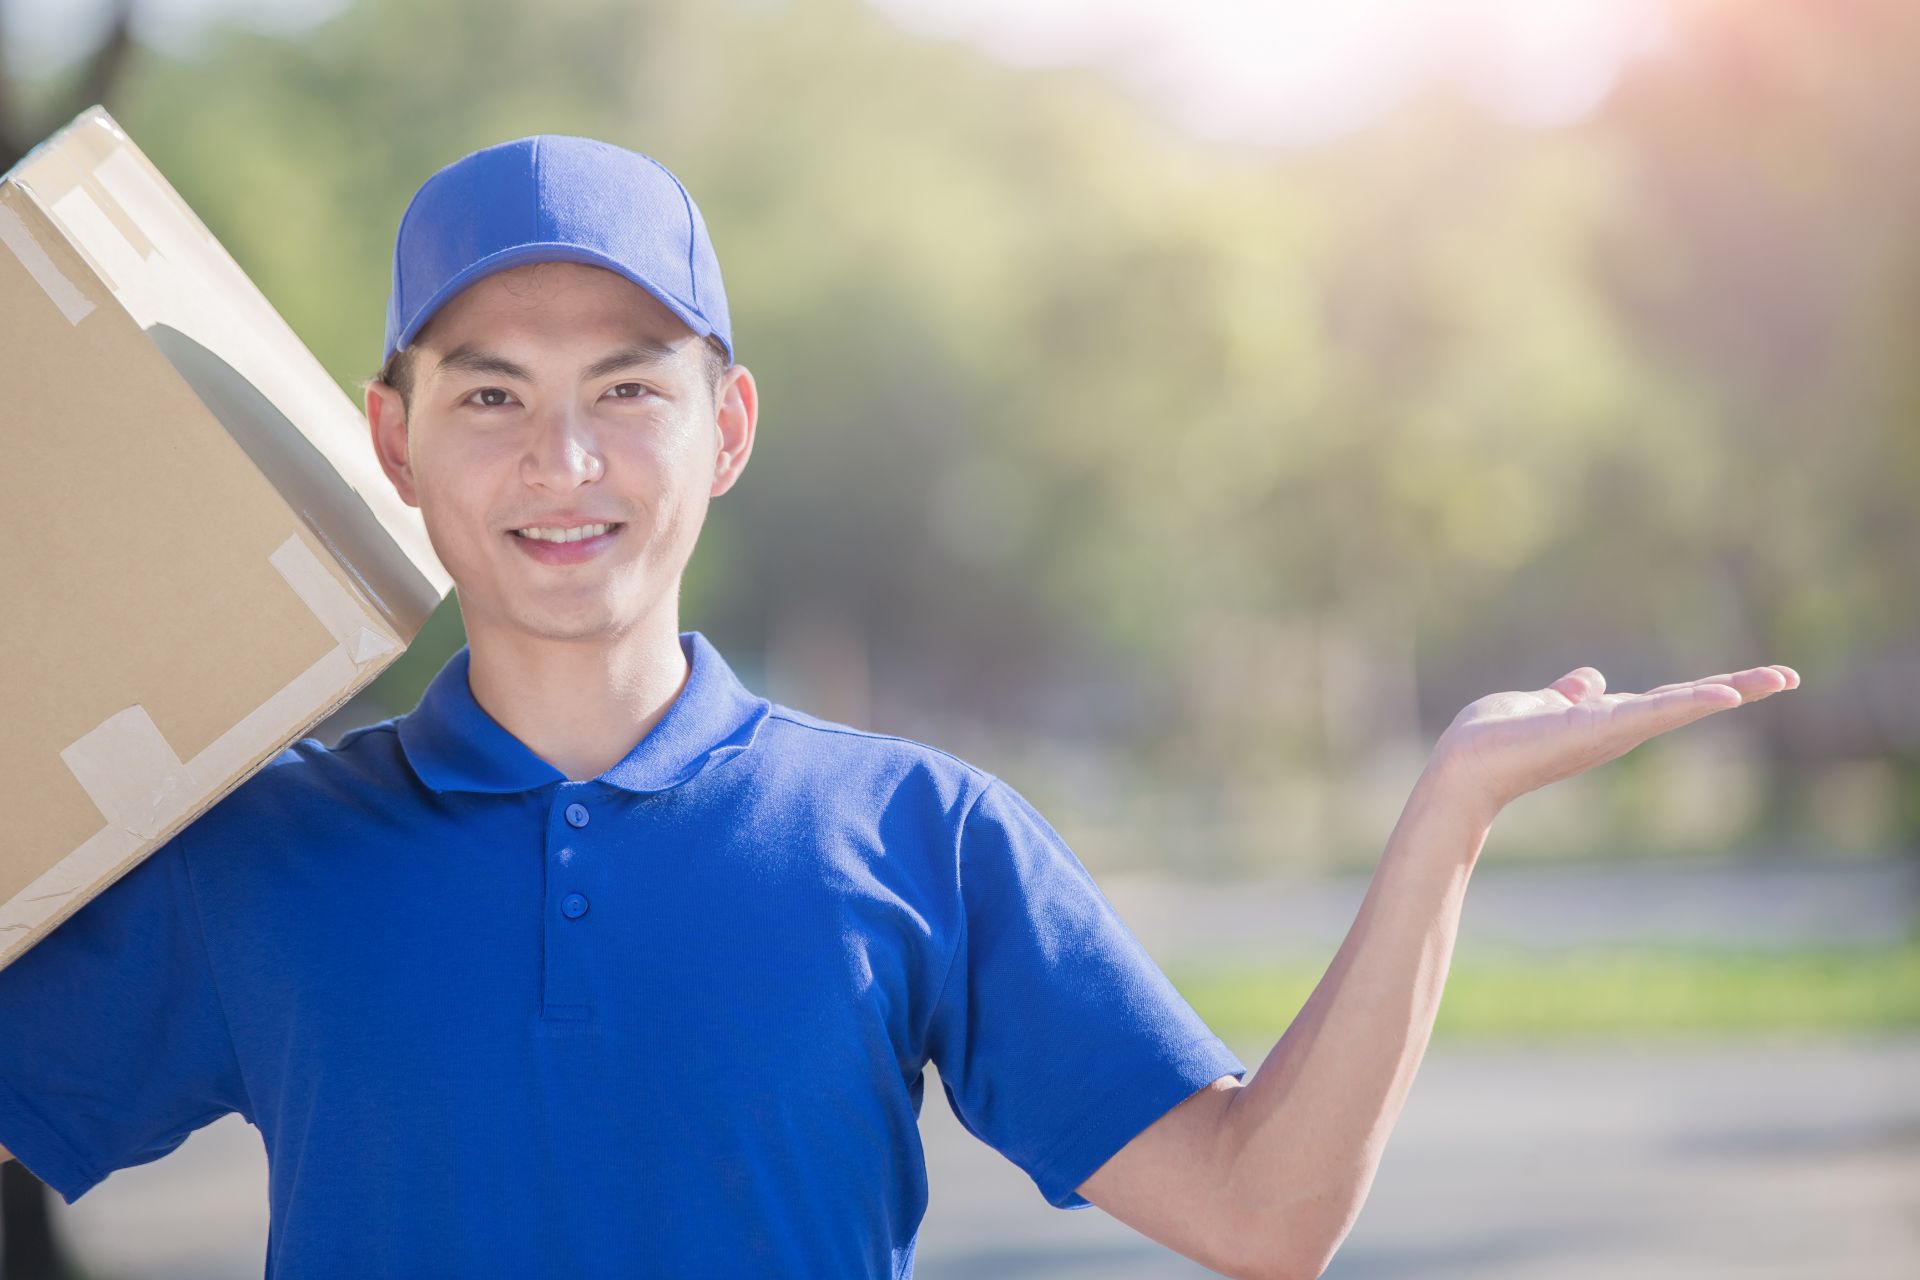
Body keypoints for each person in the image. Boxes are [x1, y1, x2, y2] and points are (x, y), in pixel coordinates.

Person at [0, 132, 1799, 1280]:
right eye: (490, 398)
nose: (564, 460)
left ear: (729, 427)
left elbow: (1266, 1214)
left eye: (628, 388)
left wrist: (1450, 818)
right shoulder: (259, 853)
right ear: (393, 441)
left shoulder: (919, 838)